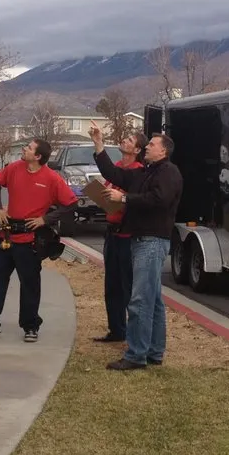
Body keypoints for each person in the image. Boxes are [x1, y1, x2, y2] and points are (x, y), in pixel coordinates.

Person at [88, 120, 183, 370]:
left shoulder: (169, 172)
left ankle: (135, 355)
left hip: (152, 241)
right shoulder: (145, 172)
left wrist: (125, 198)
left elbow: (159, 200)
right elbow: (114, 174)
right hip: (139, 240)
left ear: (163, 151)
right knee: (154, 300)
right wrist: (98, 143)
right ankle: (154, 352)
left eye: (151, 145)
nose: (147, 148)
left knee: (140, 299)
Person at [0, 138, 78, 343]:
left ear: (37, 157)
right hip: (6, 237)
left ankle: (30, 326)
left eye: (28, 148)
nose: (24, 149)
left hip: (30, 241)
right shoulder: (14, 168)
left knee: (29, 284)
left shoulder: (51, 178)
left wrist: (45, 220)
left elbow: (70, 204)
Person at [94, 132, 147, 344]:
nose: (124, 141)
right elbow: (109, 185)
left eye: (130, 141)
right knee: (112, 286)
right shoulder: (117, 166)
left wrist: (99, 145)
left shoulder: (138, 173)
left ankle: (133, 334)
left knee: (128, 287)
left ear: (137, 150)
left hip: (127, 236)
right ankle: (116, 330)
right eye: (124, 138)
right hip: (112, 233)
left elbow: (132, 200)